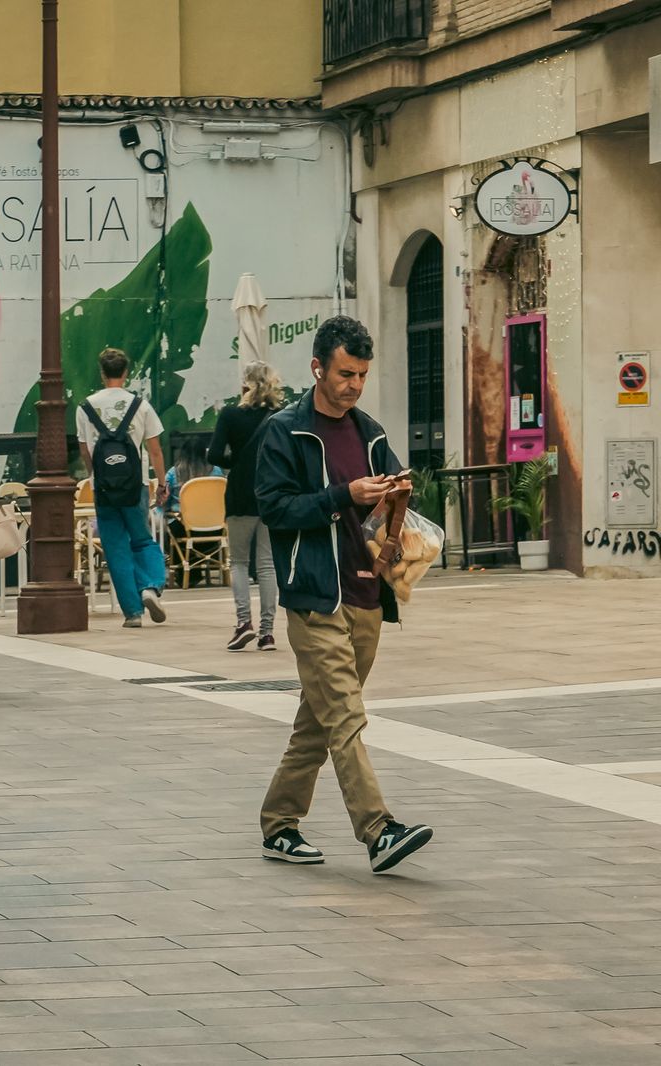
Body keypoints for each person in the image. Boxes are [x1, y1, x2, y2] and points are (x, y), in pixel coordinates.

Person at [254, 315, 434, 874]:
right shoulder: (284, 432)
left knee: (321, 717)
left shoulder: (371, 432)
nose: (354, 384)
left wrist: (397, 493)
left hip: (366, 595)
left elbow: (392, 495)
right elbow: (275, 510)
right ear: (317, 368)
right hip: (314, 595)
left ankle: (279, 823)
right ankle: (379, 830)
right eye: (344, 373)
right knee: (348, 715)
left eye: (361, 374)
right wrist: (342, 495)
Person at [76, 347, 170, 629]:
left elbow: (84, 451)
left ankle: (132, 613)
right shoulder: (140, 405)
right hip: (135, 485)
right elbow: (154, 450)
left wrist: (96, 477)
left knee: (115, 547)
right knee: (142, 539)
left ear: (102, 373)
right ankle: (150, 587)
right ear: (126, 373)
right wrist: (162, 483)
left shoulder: (85, 407)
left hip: (104, 487)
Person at [208, 361, 284, 651]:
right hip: (270, 495)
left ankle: (244, 624)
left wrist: (235, 463)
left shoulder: (230, 415)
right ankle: (267, 633)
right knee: (267, 565)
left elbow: (215, 454)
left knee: (238, 562)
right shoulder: (279, 417)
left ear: (244, 385)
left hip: (240, 493)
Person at [164, 435, 222, 542]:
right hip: (215, 527)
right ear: (204, 452)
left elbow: (164, 500)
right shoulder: (217, 471)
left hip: (182, 528)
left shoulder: (173, 473)